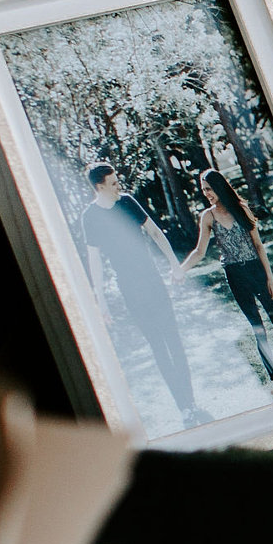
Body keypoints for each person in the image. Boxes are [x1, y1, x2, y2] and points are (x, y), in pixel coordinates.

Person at [80, 164, 210, 426]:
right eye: (114, 183)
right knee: (158, 348)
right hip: (130, 290)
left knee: (174, 342)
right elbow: (94, 262)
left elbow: (154, 231)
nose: (119, 186)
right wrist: (101, 302)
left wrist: (174, 264)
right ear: (100, 187)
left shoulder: (127, 202)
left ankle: (191, 401)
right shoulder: (90, 217)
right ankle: (183, 408)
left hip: (153, 282)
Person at [180, 167, 273, 390]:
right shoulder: (208, 216)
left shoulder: (242, 209)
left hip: (256, 270)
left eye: (209, 189)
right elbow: (200, 252)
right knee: (257, 326)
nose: (207, 194)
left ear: (219, 187)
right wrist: (181, 270)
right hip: (234, 274)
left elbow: (258, 245)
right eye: (204, 190)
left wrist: (270, 278)